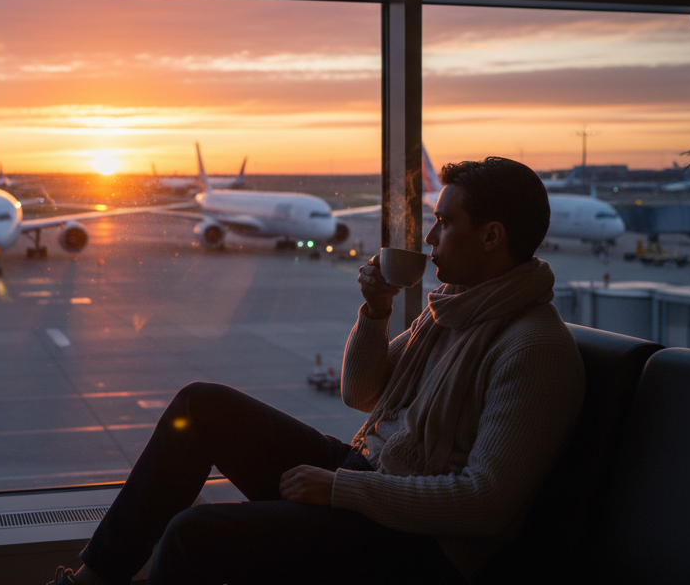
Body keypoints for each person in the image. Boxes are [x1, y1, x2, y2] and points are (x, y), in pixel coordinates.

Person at [48, 157, 585, 585]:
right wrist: (375, 313)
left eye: (444, 224)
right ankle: (92, 579)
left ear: (492, 237)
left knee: (195, 535)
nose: (428, 240)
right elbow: (364, 393)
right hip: (374, 479)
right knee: (200, 405)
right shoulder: (453, 308)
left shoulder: (531, 347)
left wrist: (340, 490)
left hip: (425, 547)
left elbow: (484, 505)